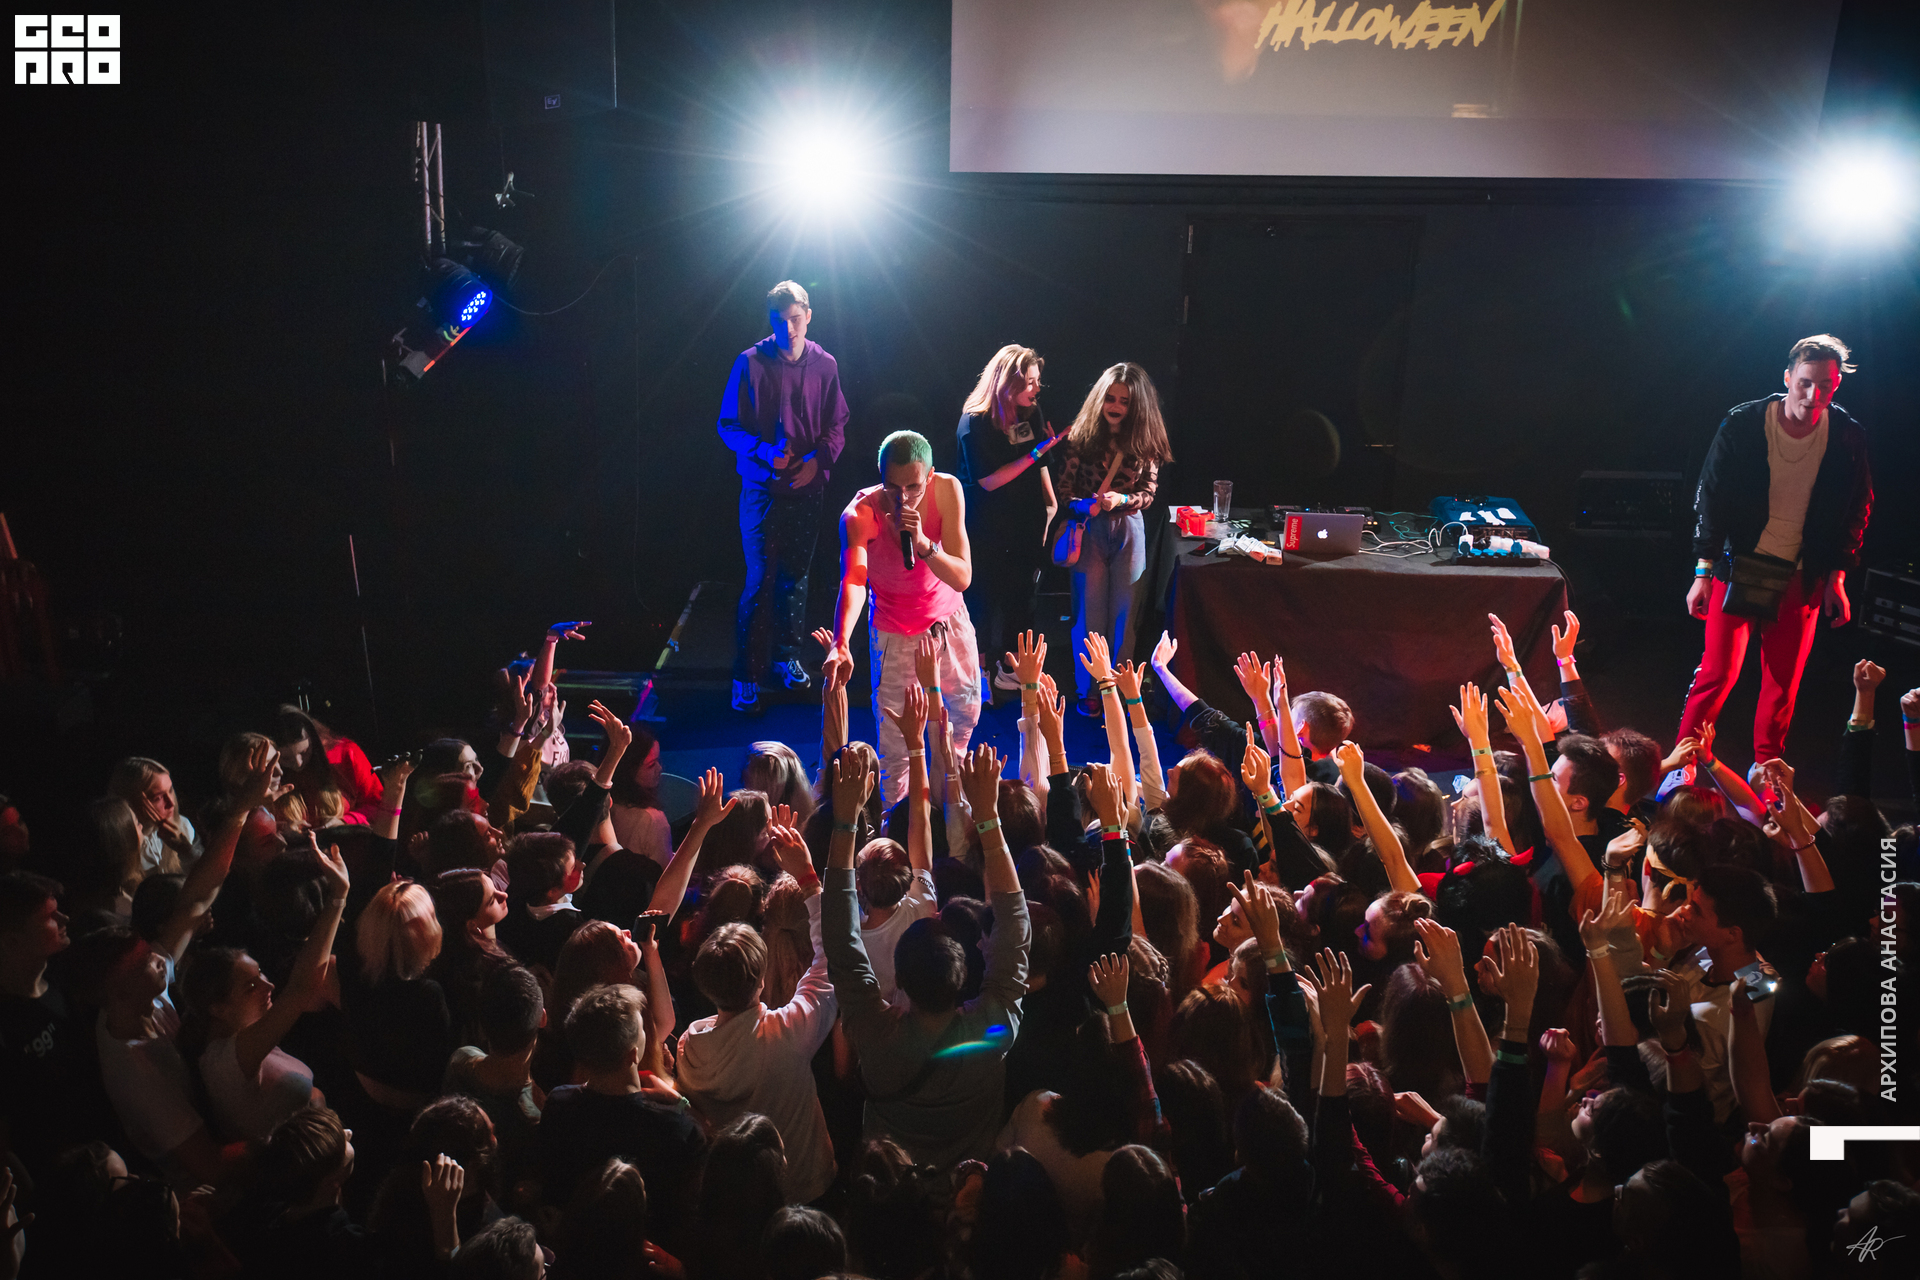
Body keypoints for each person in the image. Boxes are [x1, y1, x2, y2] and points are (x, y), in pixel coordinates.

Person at [1678, 334, 1873, 774]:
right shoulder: (1744, 423)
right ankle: (1681, 766)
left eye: (1825, 385)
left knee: (1783, 683)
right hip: (1738, 566)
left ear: (1837, 384)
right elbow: (1711, 497)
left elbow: (1857, 507)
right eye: (1805, 383)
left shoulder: (1847, 435)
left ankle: (1768, 772)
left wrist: (1838, 577)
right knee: (1717, 673)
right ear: (1787, 378)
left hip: (1800, 575)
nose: (1814, 395)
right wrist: (1703, 571)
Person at [820, 430, 980, 805]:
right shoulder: (859, 514)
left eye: (913, 487)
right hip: (897, 633)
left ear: (930, 475)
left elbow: (962, 577)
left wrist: (923, 544)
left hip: (949, 622)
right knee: (896, 745)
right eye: (893, 486)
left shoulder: (947, 490)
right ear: (881, 477)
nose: (903, 497)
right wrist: (841, 642)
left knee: (963, 716)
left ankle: (949, 808)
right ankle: (897, 822)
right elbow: (854, 580)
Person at [717, 279, 850, 714]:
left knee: (797, 577)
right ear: (770, 321)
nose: (789, 330)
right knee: (760, 580)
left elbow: (837, 424)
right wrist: (762, 451)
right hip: (762, 490)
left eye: (795, 319)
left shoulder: (825, 364)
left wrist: (817, 461)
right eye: (780, 321)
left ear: (808, 316)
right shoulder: (750, 362)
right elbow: (728, 425)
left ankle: (785, 657)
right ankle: (745, 674)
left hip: (808, 489)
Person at [1056, 363, 1172, 715]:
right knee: (1089, 616)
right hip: (1089, 529)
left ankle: (1120, 691)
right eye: (1110, 398)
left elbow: (1149, 494)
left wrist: (1121, 499)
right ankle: (1090, 689)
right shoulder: (1081, 437)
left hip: (1128, 528)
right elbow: (1064, 492)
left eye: (1124, 400)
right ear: (1100, 398)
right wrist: (1084, 505)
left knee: (1124, 616)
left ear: (1136, 405)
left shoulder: (1146, 440)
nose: (1116, 406)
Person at [955, 344, 1062, 699]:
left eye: (1037, 381)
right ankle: (979, 675)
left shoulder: (1029, 412)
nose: (1037, 388)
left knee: (1022, 600)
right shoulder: (975, 421)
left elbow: (1040, 460)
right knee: (983, 603)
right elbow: (988, 480)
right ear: (1007, 382)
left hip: (1026, 524)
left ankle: (1011, 670)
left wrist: (1050, 505)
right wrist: (1036, 453)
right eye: (1030, 382)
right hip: (986, 527)